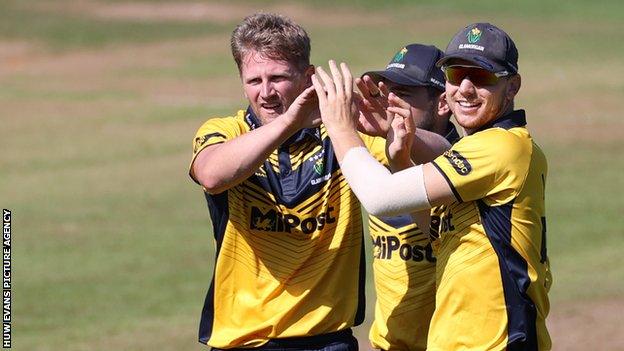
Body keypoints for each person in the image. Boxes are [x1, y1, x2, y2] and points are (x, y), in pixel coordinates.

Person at [312, 23, 552, 350]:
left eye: (481, 77)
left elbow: (379, 198)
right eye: (455, 74)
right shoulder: (487, 149)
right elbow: (439, 233)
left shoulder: (501, 147)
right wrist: (399, 159)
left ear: (512, 87)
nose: (465, 88)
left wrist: (341, 128)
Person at [189, 13, 372, 350]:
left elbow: (431, 161)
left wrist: (389, 126)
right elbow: (212, 175)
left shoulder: (342, 133)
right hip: (244, 340)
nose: (266, 92)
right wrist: (291, 121)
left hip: (326, 340)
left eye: (278, 77)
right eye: (254, 81)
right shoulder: (226, 131)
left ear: (309, 77)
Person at [354, 44, 459, 351]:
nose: (390, 103)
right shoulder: (375, 150)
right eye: (387, 91)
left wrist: (397, 134)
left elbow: (446, 153)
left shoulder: (466, 162)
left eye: (405, 94)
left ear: (442, 104)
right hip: (386, 344)